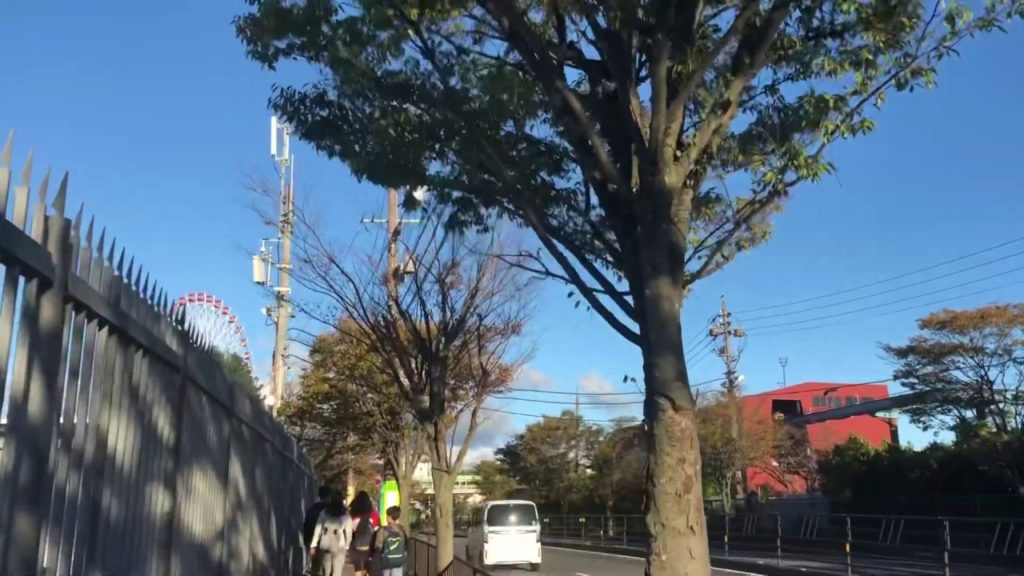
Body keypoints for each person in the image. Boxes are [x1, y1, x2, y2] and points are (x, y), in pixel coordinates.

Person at [310, 492, 352, 576]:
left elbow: (318, 528)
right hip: (339, 543)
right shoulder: (345, 514)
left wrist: (313, 545)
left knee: (326, 570)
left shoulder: (325, 512)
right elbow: (348, 532)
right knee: (337, 571)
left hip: (325, 541)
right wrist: (347, 546)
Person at [348, 490, 380, 576]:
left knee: (357, 567)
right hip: (370, 545)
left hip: (356, 545)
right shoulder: (374, 513)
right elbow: (377, 529)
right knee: (368, 567)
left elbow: (350, 530)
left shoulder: (353, 512)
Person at [374, 506, 407, 576]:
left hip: (386, 562)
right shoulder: (401, 530)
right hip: (399, 561)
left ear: (389, 517)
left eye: (387, 516)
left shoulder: (383, 530)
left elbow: (378, 546)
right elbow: (405, 545)